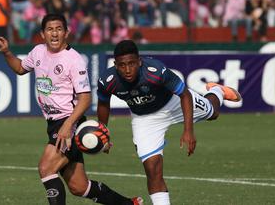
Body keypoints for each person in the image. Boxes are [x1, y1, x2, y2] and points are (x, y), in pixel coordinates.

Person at [0, 14, 142, 205]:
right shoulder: (38, 52)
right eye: (50, 29)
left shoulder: (74, 60)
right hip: (54, 123)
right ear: (42, 34)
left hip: (69, 122)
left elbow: (86, 98)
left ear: (66, 33)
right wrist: (6, 52)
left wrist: (68, 126)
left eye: (58, 29)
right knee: (79, 187)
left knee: (46, 168)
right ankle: (130, 204)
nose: (54, 33)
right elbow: (21, 68)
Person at [97, 40, 242, 205]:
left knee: (213, 113)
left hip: (173, 104)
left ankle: (218, 91)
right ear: (115, 65)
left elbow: (184, 95)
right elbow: (103, 103)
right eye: (122, 65)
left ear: (139, 61)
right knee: (152, 168)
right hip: (145, 119)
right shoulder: (107, 80)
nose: (128, 69)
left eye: (131, 63)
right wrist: (104, 132)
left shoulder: (156, 71)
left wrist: (188, 131)